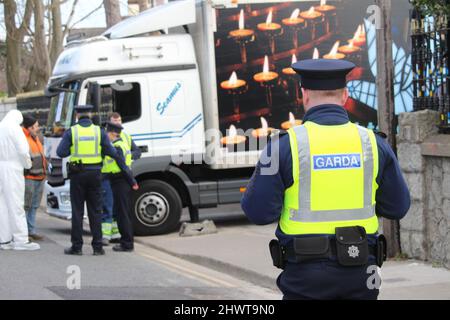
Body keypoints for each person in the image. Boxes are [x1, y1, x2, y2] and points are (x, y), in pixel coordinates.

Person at [241, 59, 411, 300]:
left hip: (304, 274)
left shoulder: (283, 147)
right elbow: (398, 207)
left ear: (304, 95)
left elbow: (257, 212)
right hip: (362, 271)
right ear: (344, 95)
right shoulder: (373, 144)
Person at [56, 105, 137, 256]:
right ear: (91, 115)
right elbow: (111, 152)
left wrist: (73, 147)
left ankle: (77, 247)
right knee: (95, 211)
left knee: (77, 211)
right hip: (95, 175)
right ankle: (97, 247)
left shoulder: (72, 132)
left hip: (78, 175)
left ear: (77, 116)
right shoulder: (98, 131)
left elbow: (60, 152)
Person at [0, 110, 40, 251]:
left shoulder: (1, 127)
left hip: (1, 167)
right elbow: (23, 151)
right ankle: (21, 239)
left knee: (3, 205)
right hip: (13, 168)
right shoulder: (15, 129)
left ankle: (4, 240)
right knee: (17, 204)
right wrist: (28, 165)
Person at [101, 112, 141, 244]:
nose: (106, 135)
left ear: (113, 133)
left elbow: (123, 164)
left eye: (119, 121)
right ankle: (120, 238)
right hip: (115, 179)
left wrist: (132, 180)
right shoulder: (119, 143)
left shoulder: (119, 144)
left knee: (122, 212)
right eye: (115, 121)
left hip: (120, 178)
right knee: (117, 209)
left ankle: (126, 242)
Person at [22, 115, 47, 241]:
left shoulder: (36, 137)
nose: (38, 128)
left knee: (34, 205)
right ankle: (24, 231)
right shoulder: (23, 138)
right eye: (36, 126)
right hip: (30, 177)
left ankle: (31, 230)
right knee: (27, 205)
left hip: (39, 176)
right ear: (30, 127)